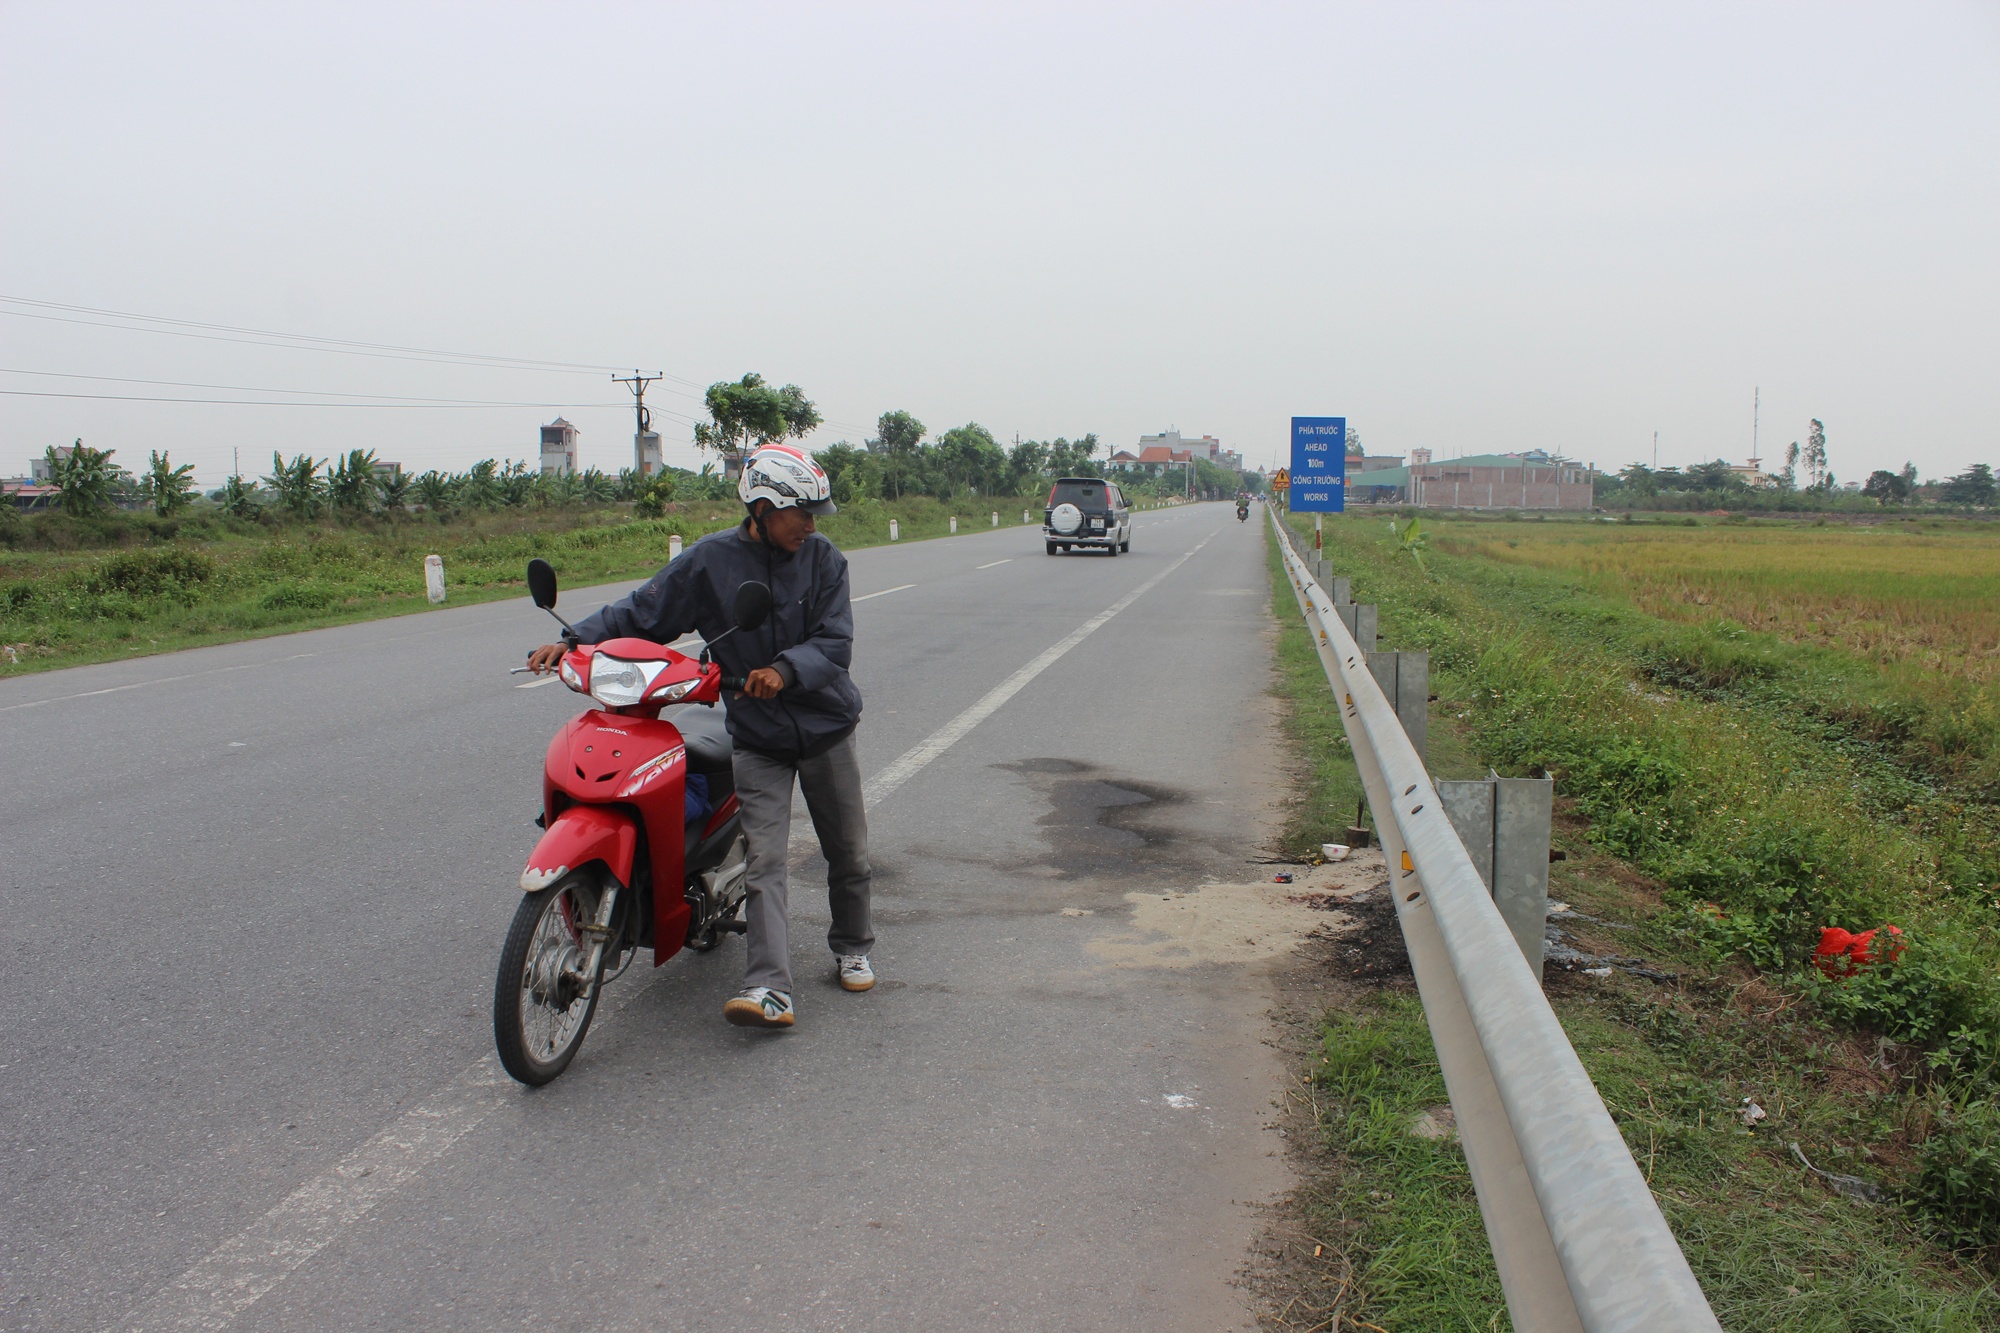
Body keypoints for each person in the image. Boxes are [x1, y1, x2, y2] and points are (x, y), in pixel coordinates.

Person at [526, 444, 873, 1031]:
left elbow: (835, 642)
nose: (811, 525)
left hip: (824, 728)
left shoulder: (824, 560)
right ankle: (769, 988)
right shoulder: (709, 561)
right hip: (757, 734)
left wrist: (785, 670)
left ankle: (853, 942)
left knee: (848, 852)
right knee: (766, 859)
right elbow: (644, 610)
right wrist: (577, 639)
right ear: (762, 509)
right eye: (801, 513)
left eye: (815, 515)